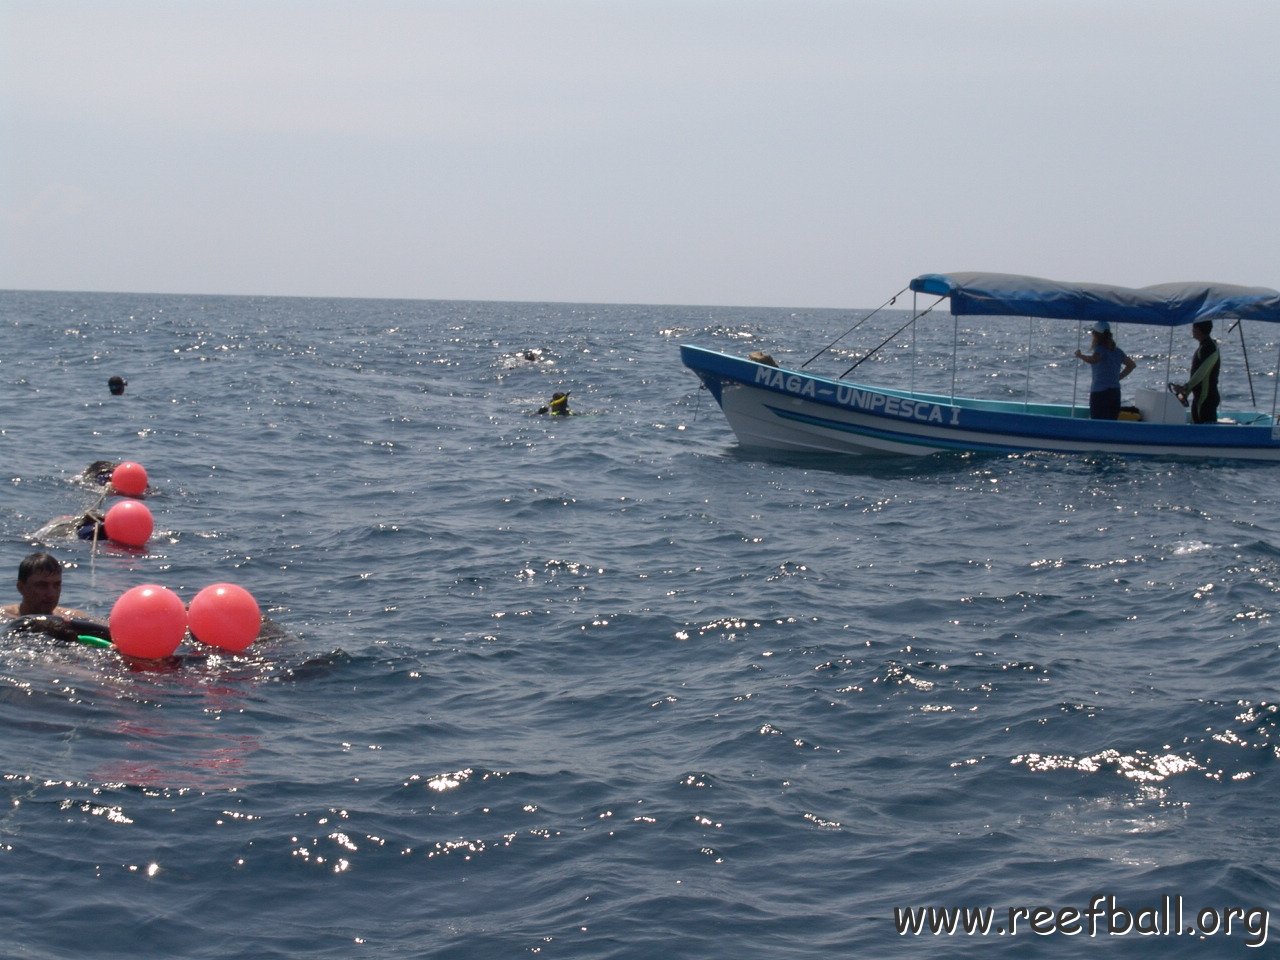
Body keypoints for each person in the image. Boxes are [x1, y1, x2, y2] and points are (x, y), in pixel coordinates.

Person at [1, 552, 108, 642]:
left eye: (56, 585)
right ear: (20, 587)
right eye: (42, 585)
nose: (51, 593)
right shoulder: (4, 617)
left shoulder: (74, 617)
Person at [1074, 320, 1136, 420]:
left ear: (1095, 335)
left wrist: (1080, 356)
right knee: (1111, 423)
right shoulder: (1117, 351)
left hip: (1100, 393)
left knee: (1097, 423)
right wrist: (1118, 377)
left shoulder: (1100, 349)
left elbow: (1094, 360)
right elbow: (1131, 365)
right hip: (1115, 392)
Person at [1173, 320, 1221, 424]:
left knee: (1206, 432)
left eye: (1194, 329)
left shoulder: (1209, 348)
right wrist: (1186, 392)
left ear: (1199, 330)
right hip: (1200, 397)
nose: (1192, 331)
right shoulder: (1205, 346)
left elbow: (1200, 374)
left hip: (1205, 398)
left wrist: (1185, 388)